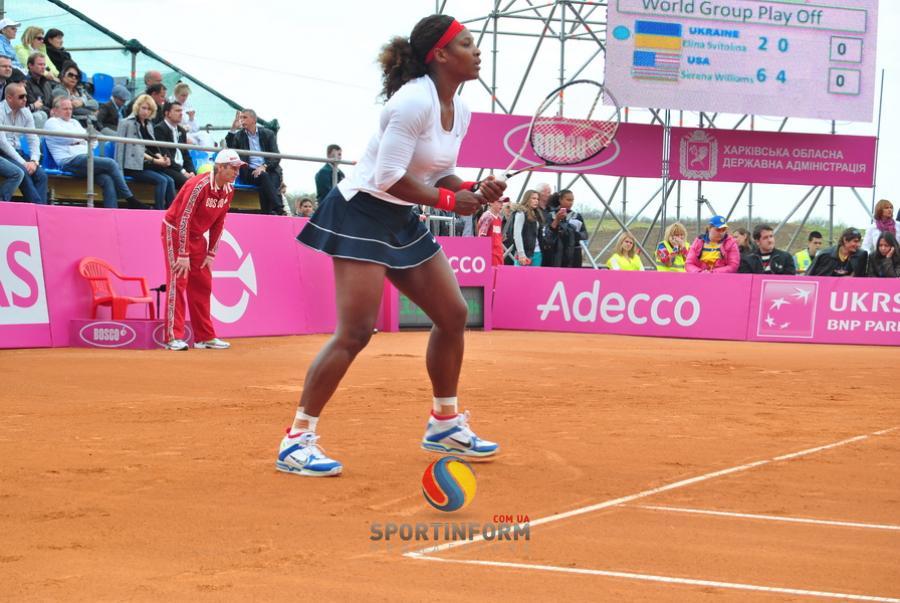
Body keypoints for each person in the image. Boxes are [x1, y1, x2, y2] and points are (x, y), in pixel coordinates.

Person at [281, 15, 504, 477]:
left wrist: (472, 188)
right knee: (356, 332)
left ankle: (444, 423)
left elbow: (436, 171)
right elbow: (387, 177)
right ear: (440, 55)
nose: (477, 51)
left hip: (399, 216)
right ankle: (296, 440)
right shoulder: (412, 102)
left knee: (453, 314)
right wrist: (450, 200)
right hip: (361, 211)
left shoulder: (459, 109)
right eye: (467, 44)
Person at [162, 149, 244, 351]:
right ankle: (173, 337)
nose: (237, 173)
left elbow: (219, 222)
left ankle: (204, 337)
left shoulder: (229, 190)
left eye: (238, 169)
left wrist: (211, 253)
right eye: (233, 168)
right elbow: (183, 219)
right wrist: (183, 253)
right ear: (220, 167)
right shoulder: (198, 185)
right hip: (175, 232)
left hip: (197, 236)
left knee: (203, 284)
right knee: (178, 281)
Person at [44, 96, 147, 209]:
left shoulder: (74, 122)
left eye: (70, 109)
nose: (69, 111)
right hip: (68, 161)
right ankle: (130, 199)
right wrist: (82, 139)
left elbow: (93, 141)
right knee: (111, 163)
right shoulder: (51, 122)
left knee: (107, 179)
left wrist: (79, 140)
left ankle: (111, 212)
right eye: (65, 109)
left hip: (85, 159)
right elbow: (66, 137)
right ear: (55, 110)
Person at [115, 94, 176, 210]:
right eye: (143, 108)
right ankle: (159, 212)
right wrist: (155, 160)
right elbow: (123, 149)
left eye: (149, 109)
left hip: (145, 164)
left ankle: (172, 212)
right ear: (137, 107)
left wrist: (161, 158)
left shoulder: (148, 124)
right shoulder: (126, 123)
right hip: (132, 166)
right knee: (162, 181)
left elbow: (152, 146)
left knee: (170, 180)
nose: (146, 112)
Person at [226, 108, 286, 215]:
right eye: (241, 118)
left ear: (254, 120)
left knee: (267, 182)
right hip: (250, 171)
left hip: (270, 169)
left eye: (245, 117)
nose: (242, 120)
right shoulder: (239, 135)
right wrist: (233, 128)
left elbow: (276, 156)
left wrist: (264, 166)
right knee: (264, 177)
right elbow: (230, 149)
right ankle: (279, 208)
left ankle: (266, 213)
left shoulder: (268, 134)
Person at [0, 82, 47, 203]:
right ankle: (38, 208)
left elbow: (33, 138)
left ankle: (39, 208)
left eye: (25, 96)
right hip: (3, 153)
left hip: (18, 153)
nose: (25, 99)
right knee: (23, 172)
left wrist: (34, 161)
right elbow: (3, 143)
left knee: (41, 176)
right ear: (9, 98)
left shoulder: (26, 112)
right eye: (21, 97)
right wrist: (24, 163)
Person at [153, 100, 196, 191]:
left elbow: (186, 155)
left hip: (181, 168)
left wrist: (192, 172)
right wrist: (183, 172)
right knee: (188, 183)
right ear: (167, 113)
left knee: (199, 182)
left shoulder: (181, 131)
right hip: (168, 167)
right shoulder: (159, 129)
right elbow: (165, 154)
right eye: (177, 111)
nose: (181, 114)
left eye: (181, 111)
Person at [542, 189, 587, 268]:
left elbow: (585, 235)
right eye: (568, 200)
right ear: (560, 200)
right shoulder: (551, 215)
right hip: (555, 254)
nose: (571, 203)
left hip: (573, 253)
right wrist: (557, 220)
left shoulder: (577, 216)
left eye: (572, 200)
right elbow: (547, 236)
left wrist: (573, 233)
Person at [52, 61, 98, 128]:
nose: (74, 78)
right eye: (70, 75)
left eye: (76, 77)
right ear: (63, 75)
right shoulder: (59, 91)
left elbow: (95, 104)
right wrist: (92, 112)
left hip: (91, 123)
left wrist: (82, 103)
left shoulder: (81, 90)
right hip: (74, 124)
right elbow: (70, 110)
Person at [511, 189, 543, 266]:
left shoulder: (537, 214)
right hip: (524, 253)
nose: (536, 201)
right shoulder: (521, 213)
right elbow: (517, 234)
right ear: (527, 199)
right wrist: (521, 254)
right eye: (533, 198)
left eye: (537, 199)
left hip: (537, 252)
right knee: (520, 273)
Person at [23, 52, 56, 127]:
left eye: (44, 65)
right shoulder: (25, 83)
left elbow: (52, 102)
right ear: (30, 65)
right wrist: (52, 112)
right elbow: (34, 104)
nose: (43, 67)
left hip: (51, 117)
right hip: (34, 118)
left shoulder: (47, 83)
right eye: (40, 64)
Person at [477, 196, 504, 266]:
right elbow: (481, 237)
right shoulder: (488, 217)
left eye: (502, 202)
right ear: (491, 203)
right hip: (490, 255)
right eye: (499, 202)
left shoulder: (499, 218)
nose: (502, 204)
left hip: (498, 253)